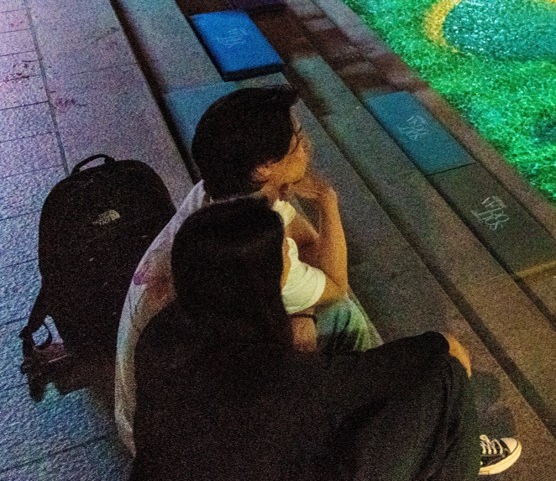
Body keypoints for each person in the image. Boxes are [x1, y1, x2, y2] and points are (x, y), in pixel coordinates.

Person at [125, 197, 520, 481]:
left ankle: (454, 445)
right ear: (260, 278)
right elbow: (392, 368)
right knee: (445, 374)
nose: (290, 252)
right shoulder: (276, 376)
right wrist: (442, 346)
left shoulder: (165, 334)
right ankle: (459, 454)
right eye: (283, 251)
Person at [115, 86, 382, 452]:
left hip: (155, 401)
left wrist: (302, 305)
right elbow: (336, 284)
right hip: (176, 439)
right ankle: (365, 431)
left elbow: (307, 244)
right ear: (263, 167)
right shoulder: (254, 247)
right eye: (298, 140)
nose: (307, 146)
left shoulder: (219, 194)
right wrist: (327, 200)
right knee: (343, 313)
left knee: (313, 310)